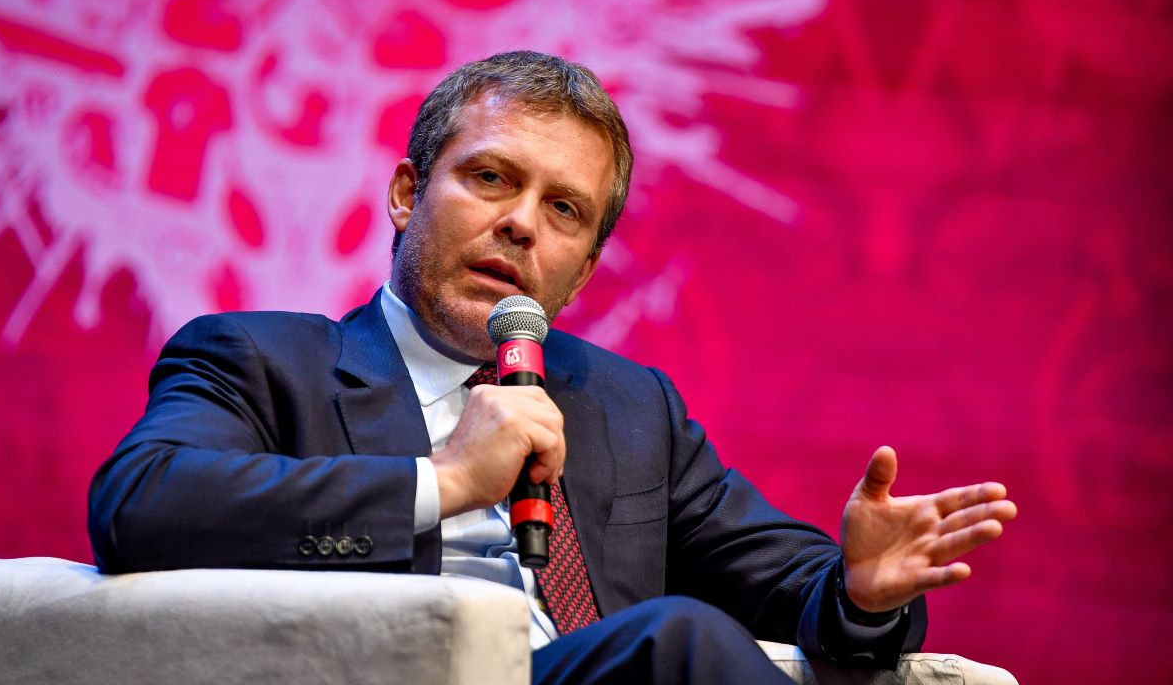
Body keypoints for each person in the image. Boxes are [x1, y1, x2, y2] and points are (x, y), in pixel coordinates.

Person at [88, 51, 1017, 685]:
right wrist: (445, 480)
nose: (522, 223)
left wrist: (859, 589)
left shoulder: (628, 408)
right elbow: (142, 509)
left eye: (565, 210)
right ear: (408, 194)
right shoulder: (263, 360)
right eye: (491, 178)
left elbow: (793, 585)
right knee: (678, 640)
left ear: (583, 269)